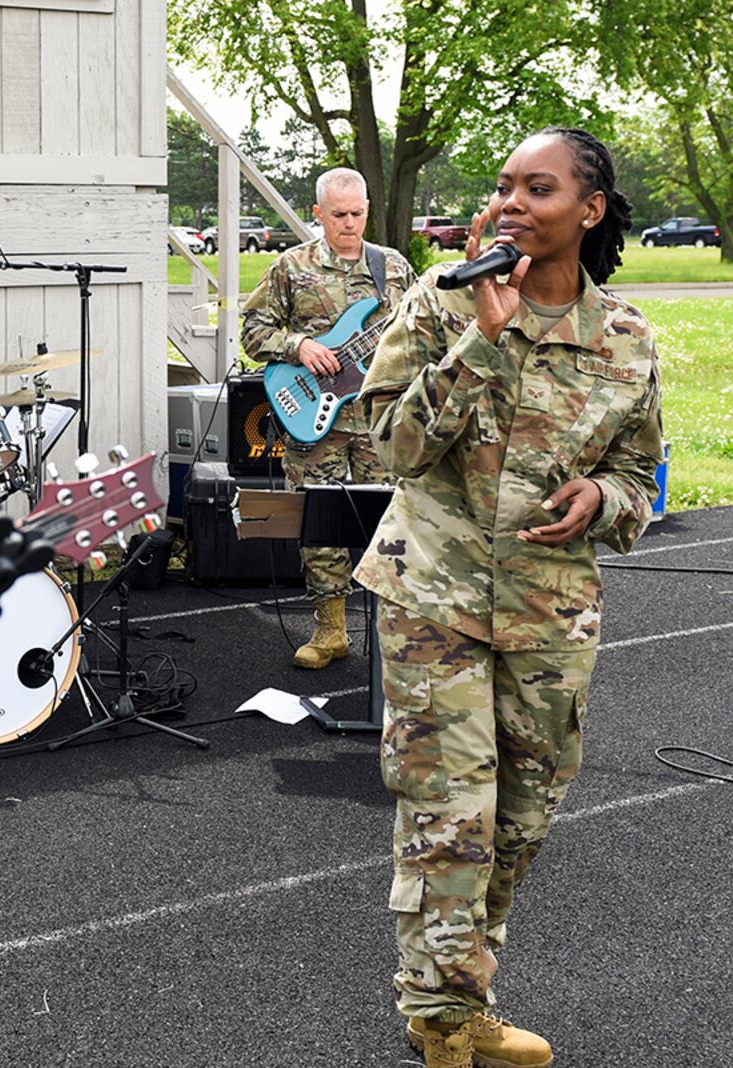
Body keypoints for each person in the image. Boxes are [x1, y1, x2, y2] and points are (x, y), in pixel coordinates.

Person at [355, 128, 662, 1068]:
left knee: (524, 818)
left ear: (590, 208)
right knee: (452, 817)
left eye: (540, 188)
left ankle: (465, 984)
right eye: (505, 187)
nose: (515, 203)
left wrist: (601, 497)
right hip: (433, 598)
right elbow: (391, 450)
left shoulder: (626, 336)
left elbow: (642, 474)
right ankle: (442, 1022)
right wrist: (483, 341)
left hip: (550, 612)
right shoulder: (441, 305)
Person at [240, 168, 416, 669]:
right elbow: (253, 332)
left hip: (379, 417)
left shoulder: (394, 267)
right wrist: (299, 345)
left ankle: (394, 631)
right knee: (320, 524)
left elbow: (426, 329)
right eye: (338, 215)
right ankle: (330, 629)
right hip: (314, 417)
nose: (350, 223)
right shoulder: (290, 267)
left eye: (358, 213)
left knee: (392, 523)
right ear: (318, 214)